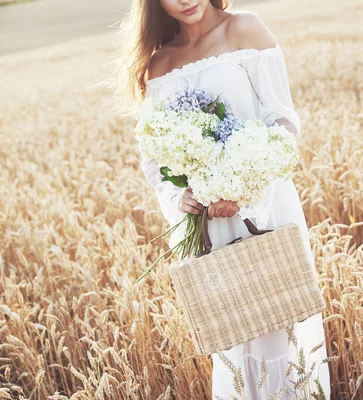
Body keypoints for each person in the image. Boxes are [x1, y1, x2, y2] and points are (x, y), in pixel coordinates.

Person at [110, 1, 331, 398]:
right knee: (232, 346)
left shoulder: (244, 29)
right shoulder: (159, 64)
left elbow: (282, 123)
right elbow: (154, 159)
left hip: (263, 210)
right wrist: (183, 197)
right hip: (209, 228)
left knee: (282, 339)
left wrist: (242, 190)